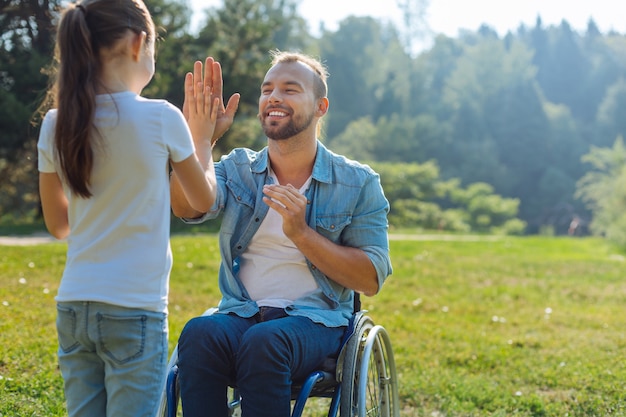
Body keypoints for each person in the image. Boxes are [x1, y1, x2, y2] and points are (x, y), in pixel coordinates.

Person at [36, 0, 237, 415]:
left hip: (74, 306)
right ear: (138, 43)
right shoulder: (163, 118)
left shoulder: (56, 122)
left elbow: (59, 225)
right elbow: (203, 201)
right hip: (135, 310)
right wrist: (201, 141)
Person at [169, 50, 393, 417]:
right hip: (241, 313)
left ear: (320, 107)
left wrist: (301, 234)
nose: (274, 97)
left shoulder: (358, 182)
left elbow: (369, 278)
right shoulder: (238, 169)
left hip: (318, 322)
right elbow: (188, 207)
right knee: (199, 332)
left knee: (265, 341)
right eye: (267, 88)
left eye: (290, 89)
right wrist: (199, 140)